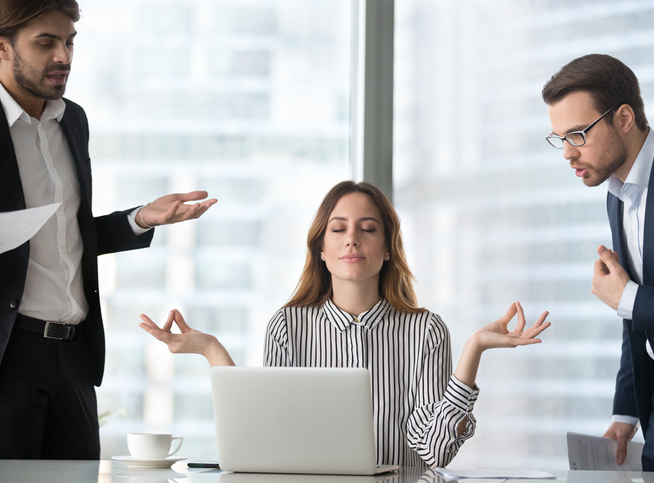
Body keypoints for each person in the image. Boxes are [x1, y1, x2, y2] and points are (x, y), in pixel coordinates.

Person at [141, 180, 551, 468]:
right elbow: (269, 434)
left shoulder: (426, 331)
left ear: (387, 249)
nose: (352, 239)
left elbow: (435, 450)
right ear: (322, 249)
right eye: (339, 229)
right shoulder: (287, 326)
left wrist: (473, 348)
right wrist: (212, 350)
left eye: (367, 229)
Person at [0, 0, 217, 459]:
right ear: (3, 47)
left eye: (69, 41)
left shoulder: (72, 121)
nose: (64, 56)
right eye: (46, 43)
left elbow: (65, 233)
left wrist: (140, 220)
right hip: (8, 357)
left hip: (74, 358)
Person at [542, 54, 654, 472]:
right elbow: (635, 314)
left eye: (577, 135)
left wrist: (632, 300)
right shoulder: (617, 194)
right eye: (559, 139)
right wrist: (626, 413)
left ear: (623, 117)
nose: (568, 154)